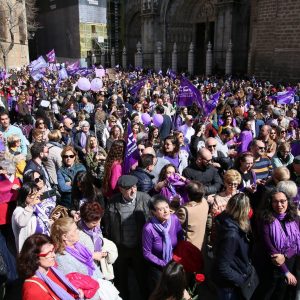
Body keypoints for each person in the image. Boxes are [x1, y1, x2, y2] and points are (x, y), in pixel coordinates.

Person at [103, 175, 150, 299]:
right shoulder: (113, 201)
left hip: (139, 247)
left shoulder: (144, 199)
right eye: (129, 188)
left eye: (134, 187)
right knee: (121, 280)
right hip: (121, 247)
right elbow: (107, 224)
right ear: (121, 189)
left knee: (142, 278)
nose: (133, 190)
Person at [51, 217, 121, 300]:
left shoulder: (78, 246)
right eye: (75, 230)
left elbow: (92, 266)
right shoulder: (62, 258)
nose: (78, 232)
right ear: (65, 237)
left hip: (100, 289)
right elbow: (76, 288)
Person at [254, 190, 300, 300]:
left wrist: (285, 256)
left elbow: (297, 242)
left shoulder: (295, 218)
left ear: (288, 202)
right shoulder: (265, 221)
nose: (279, 205)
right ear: (270, 203)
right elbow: (270, 248)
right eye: (275, 202)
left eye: (282, 201)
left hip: (290, 262)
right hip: (272, 266)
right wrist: (286, 272)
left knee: (285, 293)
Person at [213, 193, 254, 300]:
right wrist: (241, 281)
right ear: (244, 210)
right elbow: (222, 267)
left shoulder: (225, 218)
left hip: (234, 276)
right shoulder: (232, 235)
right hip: (229, 286)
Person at [18, 234, 82, 300]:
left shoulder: (51, 270)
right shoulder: (32, 290)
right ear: (34, 257)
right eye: (48, 253)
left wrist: (75, 294)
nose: (54, 255)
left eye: (53, 250)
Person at [143, 195, 183, 288]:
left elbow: (181, 239)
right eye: (160, 209)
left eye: (166, 207)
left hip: (173, 262)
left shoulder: (174, 219)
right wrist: (163, 264)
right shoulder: (149, 228)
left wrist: (178, 257)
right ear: (154, 212)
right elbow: (147, 253)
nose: (166, 211)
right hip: (158, 266)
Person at [78, 201, 118, 281]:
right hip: (90, 273)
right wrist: (92, 255)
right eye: (94, 223)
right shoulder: (78, 235)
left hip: (103, 269)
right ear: (85, 220)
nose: (97, 224)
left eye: (99, 221)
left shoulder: (95, 227)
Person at [12, 182, 52, 252]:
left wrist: (50, 221)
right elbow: (22, 223)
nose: (37, 196)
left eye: (37, 192)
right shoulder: (18, 210)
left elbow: (42, 221)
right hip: (32, 251)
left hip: (45, 245)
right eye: (33, 195)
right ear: (24, 196)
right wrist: (30, 206)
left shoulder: (36, 206)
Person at [176, 181, 208, 251]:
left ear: (187, 195)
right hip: (201, 244)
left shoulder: (184, 210)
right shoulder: (205, 202)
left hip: (189, 246)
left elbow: (174, 225)